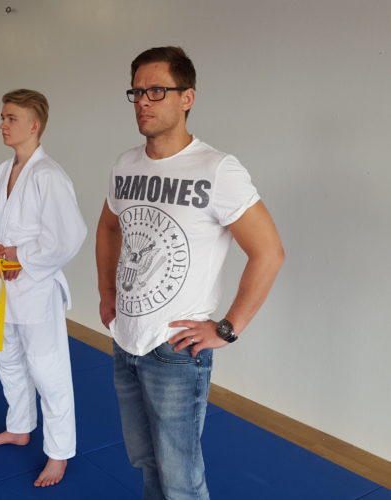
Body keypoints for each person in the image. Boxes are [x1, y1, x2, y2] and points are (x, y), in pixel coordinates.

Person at [96, 47, 285, 499]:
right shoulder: (125, 164)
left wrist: (228, 328)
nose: (143, 101)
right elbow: (109, 227)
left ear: (187, 98)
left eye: (156, 91)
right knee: (145, 462)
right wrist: (107, 293)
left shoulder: (217, 169)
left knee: (180, 479)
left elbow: (268, 252)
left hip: (176, 350)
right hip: (126, 339)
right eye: (137, 92)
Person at [0, 89, 86, 487]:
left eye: (11, 118)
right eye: (2, 117)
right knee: (7, 360)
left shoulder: (48, 175)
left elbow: (69, 236)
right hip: (5, 288)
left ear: (34, 125)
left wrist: (21, 257)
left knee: (47, 369)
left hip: (37, 289)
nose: (2, 125)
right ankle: (19, 427)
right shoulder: (1, 171)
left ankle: (58, 453)